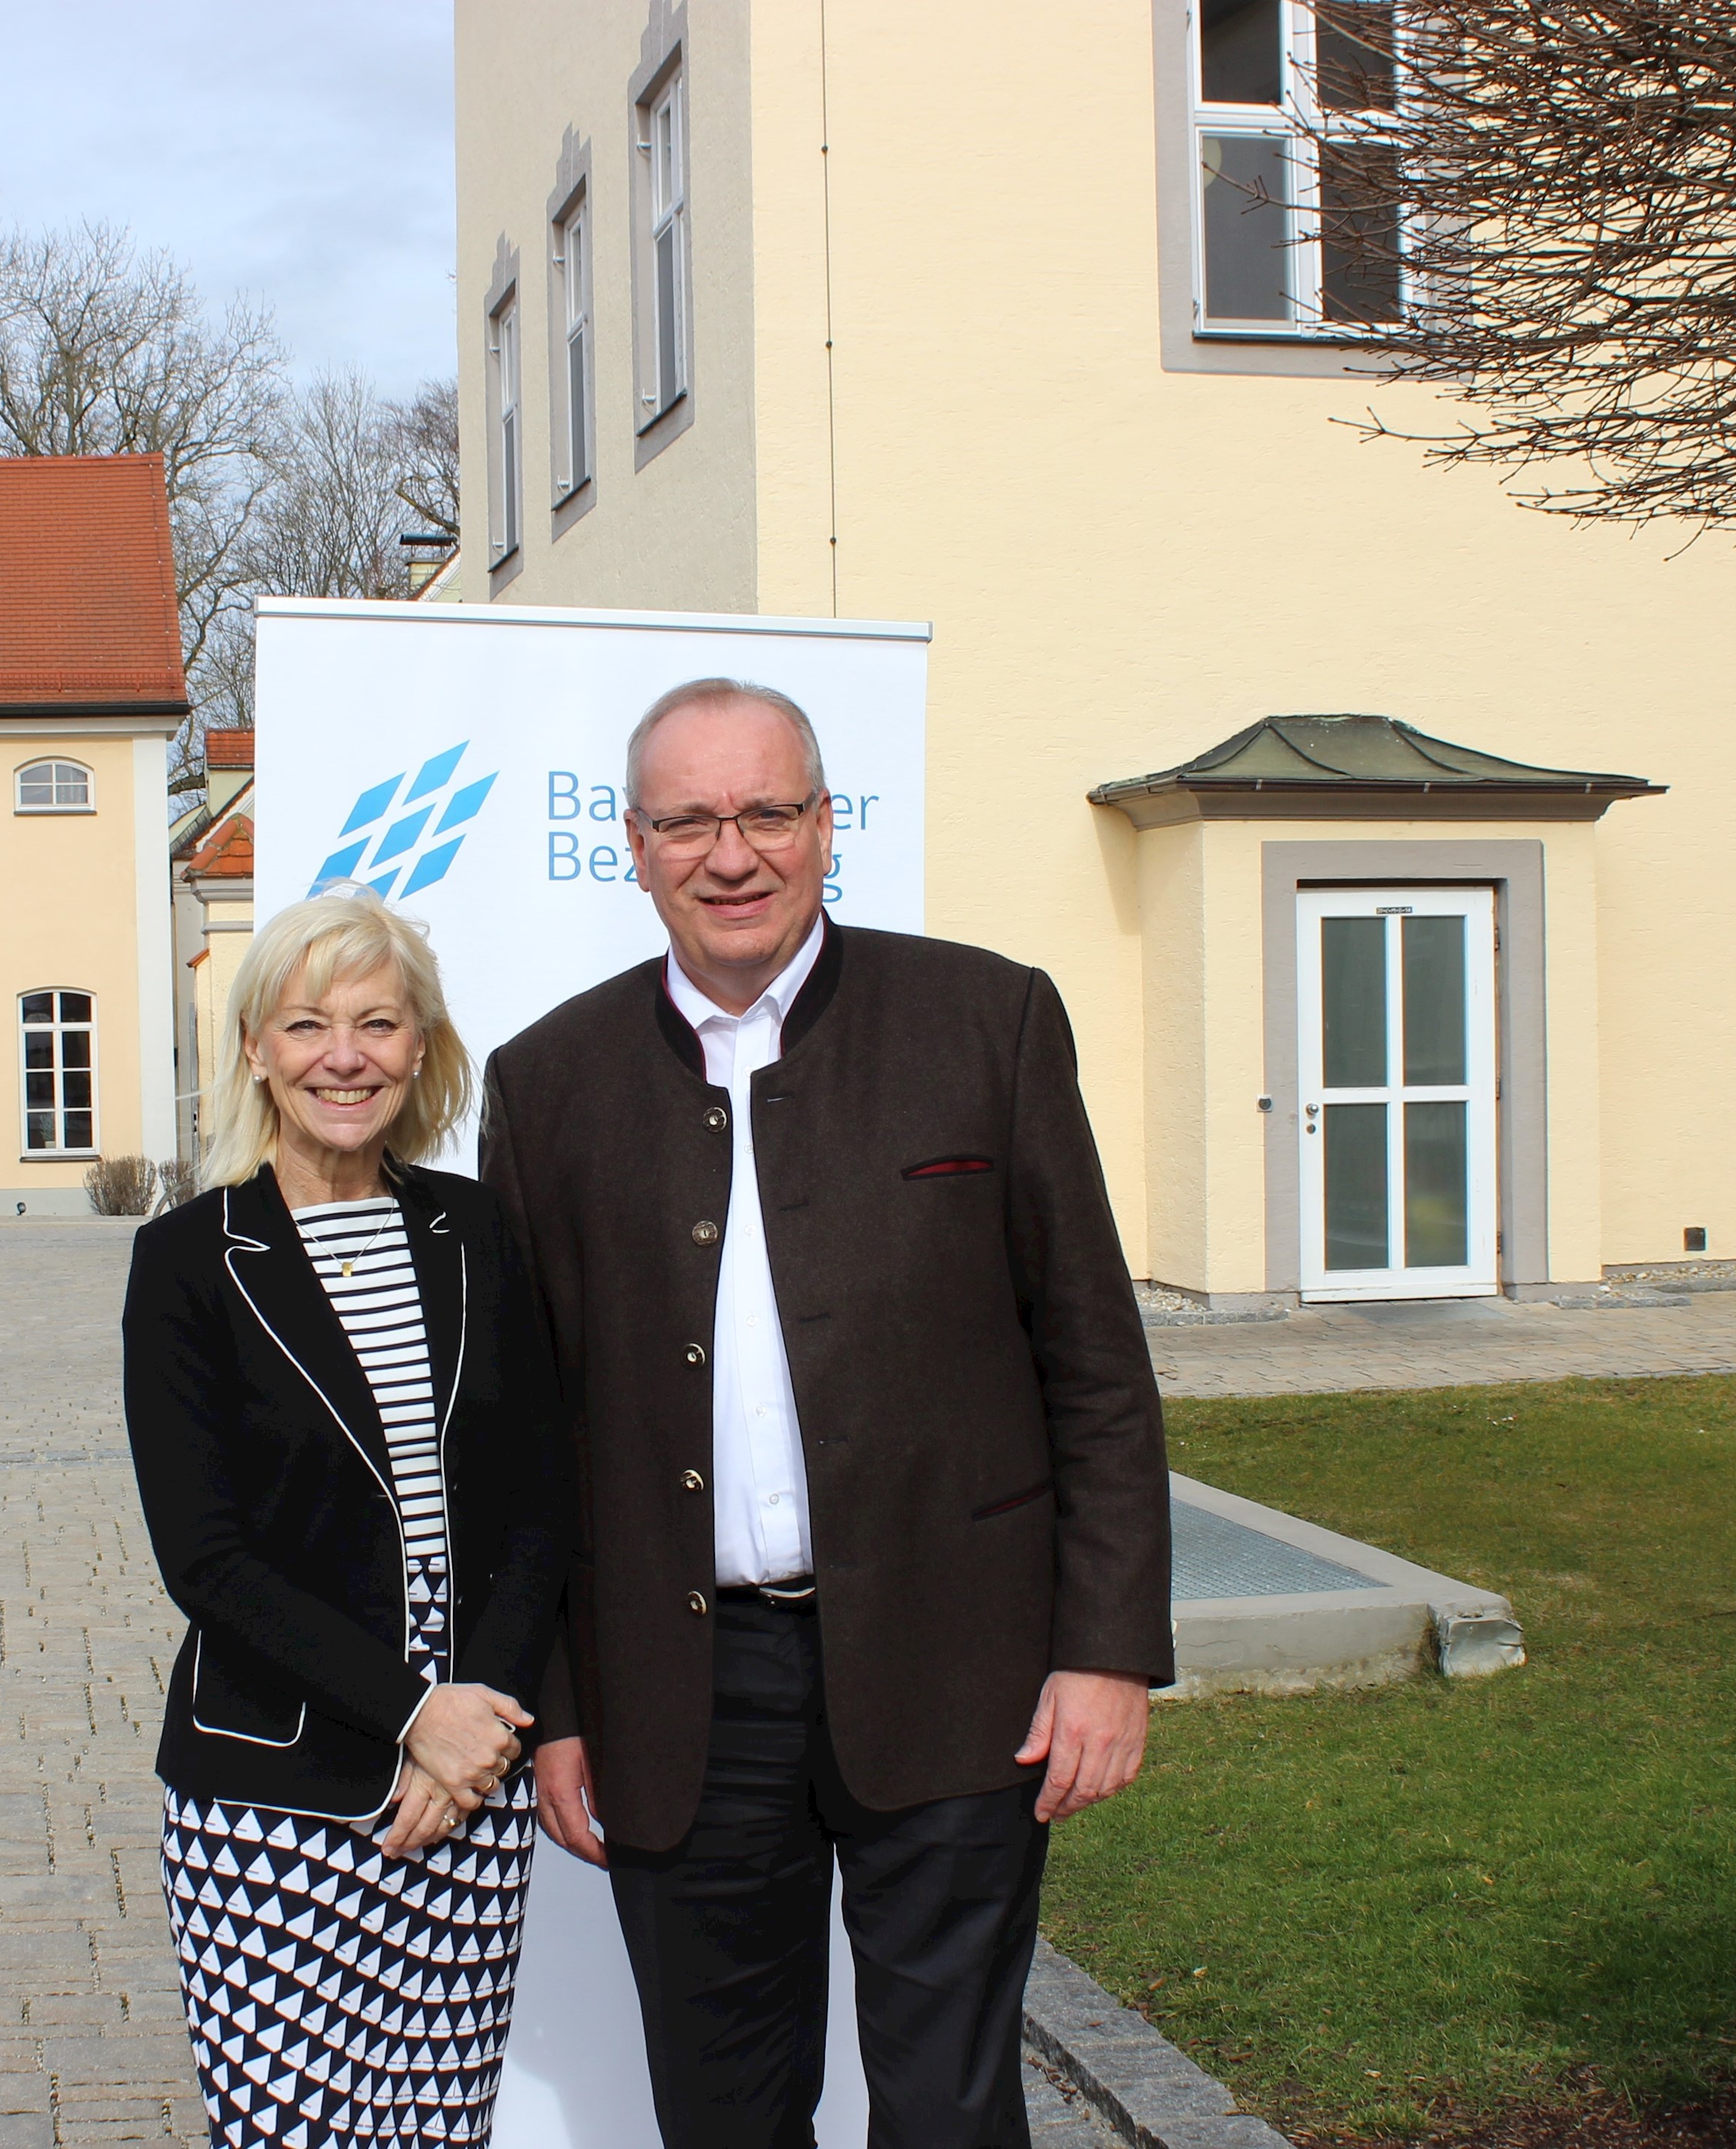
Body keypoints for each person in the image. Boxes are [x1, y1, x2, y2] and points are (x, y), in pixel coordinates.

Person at [480, 678, 1175, 2148]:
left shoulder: (985, 1020)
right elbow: (521, 1443)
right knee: (724, 2118)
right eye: (688, 820)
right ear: (632, 842)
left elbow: (1095, 1365)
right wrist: (558, 1706)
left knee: (946, 2109)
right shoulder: (546, 1083)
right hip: (679, 1696)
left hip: (957, 1664)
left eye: (765, 812)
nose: (729, 854)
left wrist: (1105, 1650)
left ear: (824, 826)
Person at [123, 887, 571, 2148]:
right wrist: (411, 1716)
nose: (344, 1056)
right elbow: (205, 1558)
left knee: (440, 2129)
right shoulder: (188, 1263)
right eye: (309, 1023)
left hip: (473, 1765)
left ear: (419, 1046)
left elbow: (541, 1500)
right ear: (258, 1045)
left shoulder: (477, 1229)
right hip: (274, 1784)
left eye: (377, 1023)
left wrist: (473, 1714)